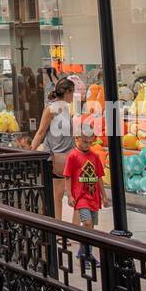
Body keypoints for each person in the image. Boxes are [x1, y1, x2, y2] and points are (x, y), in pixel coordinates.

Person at [29, 78, 76, 221]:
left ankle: (62, 230)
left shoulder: (66, 108)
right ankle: (58, 229)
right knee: (58, 195)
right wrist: (31, 151)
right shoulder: (51, 109)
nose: (73, 95)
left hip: (66, 156)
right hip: (56, 157)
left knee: (62, 194)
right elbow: (41, 131)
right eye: (72, 92)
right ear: (67, 92)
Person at [64, 123, 109, 263]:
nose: (87, 145)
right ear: (76, 139)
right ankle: (86, 256)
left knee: (91, 228)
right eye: (84, 141)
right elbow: (68, 176)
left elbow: (99, 177)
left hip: (93, 197)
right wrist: (70, 195)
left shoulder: (95, 156)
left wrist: (104, 196)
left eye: (90, 142)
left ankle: (84, 252)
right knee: (87, 223)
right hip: (81, 198)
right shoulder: (73, 156)